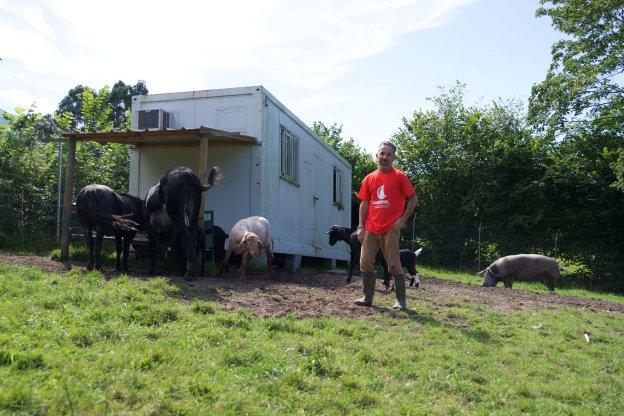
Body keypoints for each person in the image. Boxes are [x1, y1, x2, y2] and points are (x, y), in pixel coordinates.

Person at [355, 141, 417, 309]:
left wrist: (403, 219)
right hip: (370, 228)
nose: (385, 157)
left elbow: (413, 199)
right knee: (365, 262)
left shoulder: (399, 176)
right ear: (377, 155)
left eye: (388, 154)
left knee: (393, 264)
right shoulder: (369, 178)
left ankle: (400, 301)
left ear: (393, 157)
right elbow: (364, 203)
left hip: (391, 228)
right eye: (382, 153)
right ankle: (367, 297)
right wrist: (361, 226)